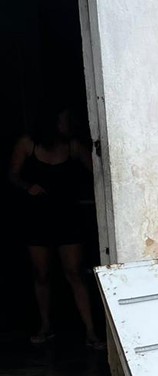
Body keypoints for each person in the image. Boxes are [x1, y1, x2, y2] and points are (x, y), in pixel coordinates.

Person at [8, 106, 103, 348]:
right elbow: (13, 175)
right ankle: (46, 325)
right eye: (63, 120)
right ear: (51, 123)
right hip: (37, 217)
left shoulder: (72, 146)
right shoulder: (27, 144)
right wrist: (28, 187)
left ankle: (91, 331)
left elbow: (99, 171)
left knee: (74, 272)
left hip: (67, 217)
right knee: (42, 274)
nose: (67, 124)